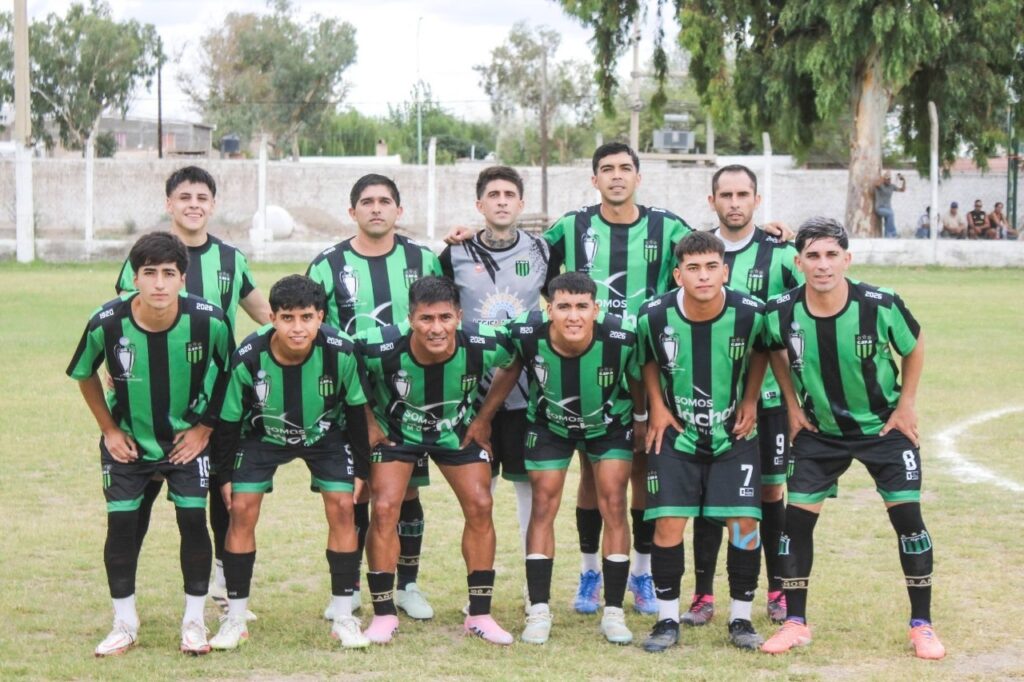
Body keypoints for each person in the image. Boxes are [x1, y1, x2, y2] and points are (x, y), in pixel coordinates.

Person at [760, 218, 944, 660]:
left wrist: (906, 405)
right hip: (819, 433)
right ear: (799, 262)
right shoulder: (780, 310)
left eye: (831, 255)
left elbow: (914, 345)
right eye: (812, 256)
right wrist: (792, 405)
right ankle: (795, 623)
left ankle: (922, 625)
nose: (822, 265)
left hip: (883, 429)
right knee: (794, 525)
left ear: (847, 258)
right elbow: (773, 348)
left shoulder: (880, 304)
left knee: (909, 521)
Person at [543, 142, 693, 616]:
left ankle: (642, 574)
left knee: (645, 470)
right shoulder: (571, 226)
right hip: (591, 367)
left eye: (625, 168)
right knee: (594, 473)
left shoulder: (668, 227)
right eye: (606, 169)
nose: (616, 176)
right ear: (594, 180)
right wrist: (471, 236)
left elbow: (709, 255)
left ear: (638, 177)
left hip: (651, 367)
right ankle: (590, 571)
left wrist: (769, 236)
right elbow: (525, 256)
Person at [114, 166, 271, 615]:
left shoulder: (231, 259)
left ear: (213, 205)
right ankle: (124, 596)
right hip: (153, 404)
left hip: (217, 402)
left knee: (222, 490)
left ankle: (223, 587)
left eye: (202, 197)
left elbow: (264, 315)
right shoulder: (146, 257)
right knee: (138, 499)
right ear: (169, 204)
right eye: (184, 197)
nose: (193, 204)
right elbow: (122, 320)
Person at [67, 232, 231, 656]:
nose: (159, 283)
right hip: (129, 444)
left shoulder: (209, 321)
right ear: (134, 277)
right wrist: (109, 429)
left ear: (182, 279)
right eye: (150, 273)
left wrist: (204, 429)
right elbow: (84, 373)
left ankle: (194, 623)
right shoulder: (106, 322)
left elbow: (231, 374)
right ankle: (124, 624)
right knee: (121, 527)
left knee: (193, 521)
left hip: (185, 443)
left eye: (169, 273)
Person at [467, 272, 645, 645]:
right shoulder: (526, 332)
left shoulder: (622, 336)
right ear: (549, 310)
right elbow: (508, 368)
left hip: (609, 426)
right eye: (563, 306)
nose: (573, 316)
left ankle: (613, 611)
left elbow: (639, 378)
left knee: (614, 502)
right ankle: (539, 610)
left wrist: (643, 420)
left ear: (596, 309)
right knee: (543, 505)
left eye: (582, 307)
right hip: (551, 426)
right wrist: (483, 418)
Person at [207, 275, 372, 650]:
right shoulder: (249, 356)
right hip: (262, 435)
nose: (297, 328)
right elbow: (229, 420)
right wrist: (224, 474)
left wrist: (363, 469)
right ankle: (235, 619)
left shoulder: (341, 352)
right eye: (287, 318)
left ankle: (343, 617)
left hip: (324, 435)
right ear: (272, 318)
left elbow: (357, 411)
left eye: (306, 317)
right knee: (241, 509)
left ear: (320, 317)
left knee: (343, 506)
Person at [308, 174, 443, 621]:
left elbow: (442, 315)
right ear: (353, 212)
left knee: (405, 492)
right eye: (367, 202)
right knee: (354, 491)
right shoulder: (327, 264)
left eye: (385, 201)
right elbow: (313, 328)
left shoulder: (423, 259)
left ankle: (407, 585)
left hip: (406, 397)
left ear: (399, 210)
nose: (376, 208)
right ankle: (347, 589)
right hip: (348, 398)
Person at [357, 276, 517, 645]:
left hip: (454, 432)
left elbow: (513, 362)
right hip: (396, 433)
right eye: (426, 318)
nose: (436, 328)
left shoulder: (484, 343)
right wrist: (368, 423)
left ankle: (480, 614)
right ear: (410, 318)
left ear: (459, 316)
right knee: (385, 508)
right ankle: (384, 613)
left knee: (481, 504)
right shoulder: (378, 345)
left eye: (445, 317)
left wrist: (484, 417)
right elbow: (347, 369)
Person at [635, 231, 770, 652]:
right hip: (677, 435)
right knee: (668, 523)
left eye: (712, 267)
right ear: (678, 275)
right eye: (693, 268)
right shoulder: (654, 315)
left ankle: (741, 619)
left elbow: (763, 351)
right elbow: (647, 358)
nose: (704, 276)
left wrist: (750, 398)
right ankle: (666, 620)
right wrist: (657, 406)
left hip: (733, 435)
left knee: (744, 525)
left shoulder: (750, 313)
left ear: (725, 271)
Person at [685, 165, 803, 629]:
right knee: (705, 495)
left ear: (757, 199)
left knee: (771, 492)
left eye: (742, 194)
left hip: (769, 400)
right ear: (711, 200)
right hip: (706, 401)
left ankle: (777, 589)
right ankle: (702, 594)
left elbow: (809, 302)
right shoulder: (696, 251)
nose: (734, 203)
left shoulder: (781, 253)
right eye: (726, 195)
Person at [439, 166, 549, 562]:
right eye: (493, 195)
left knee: (531, 494)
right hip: (472, 394)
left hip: (526, 395)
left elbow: (564, 304)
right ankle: (479, 584)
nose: (501, 202)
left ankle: (532, 585)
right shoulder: (455, 253)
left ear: (521, 203)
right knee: (478, 498)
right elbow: (435, 312)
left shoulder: (542, 251)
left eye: (509, 195)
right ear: (479, 205)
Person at [874, 171, 906, 238]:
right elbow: (876, 184)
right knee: (891, 214)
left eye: (890, 179)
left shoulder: (892, 186)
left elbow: (902, 190)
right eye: (888, 179)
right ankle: (893, 233)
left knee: (888, 220)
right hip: (880, 208)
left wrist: (904, 180)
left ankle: (887, 236)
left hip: (888, 208)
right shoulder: (880, 185)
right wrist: (884, 176)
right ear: (884, 179)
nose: (889, 180)